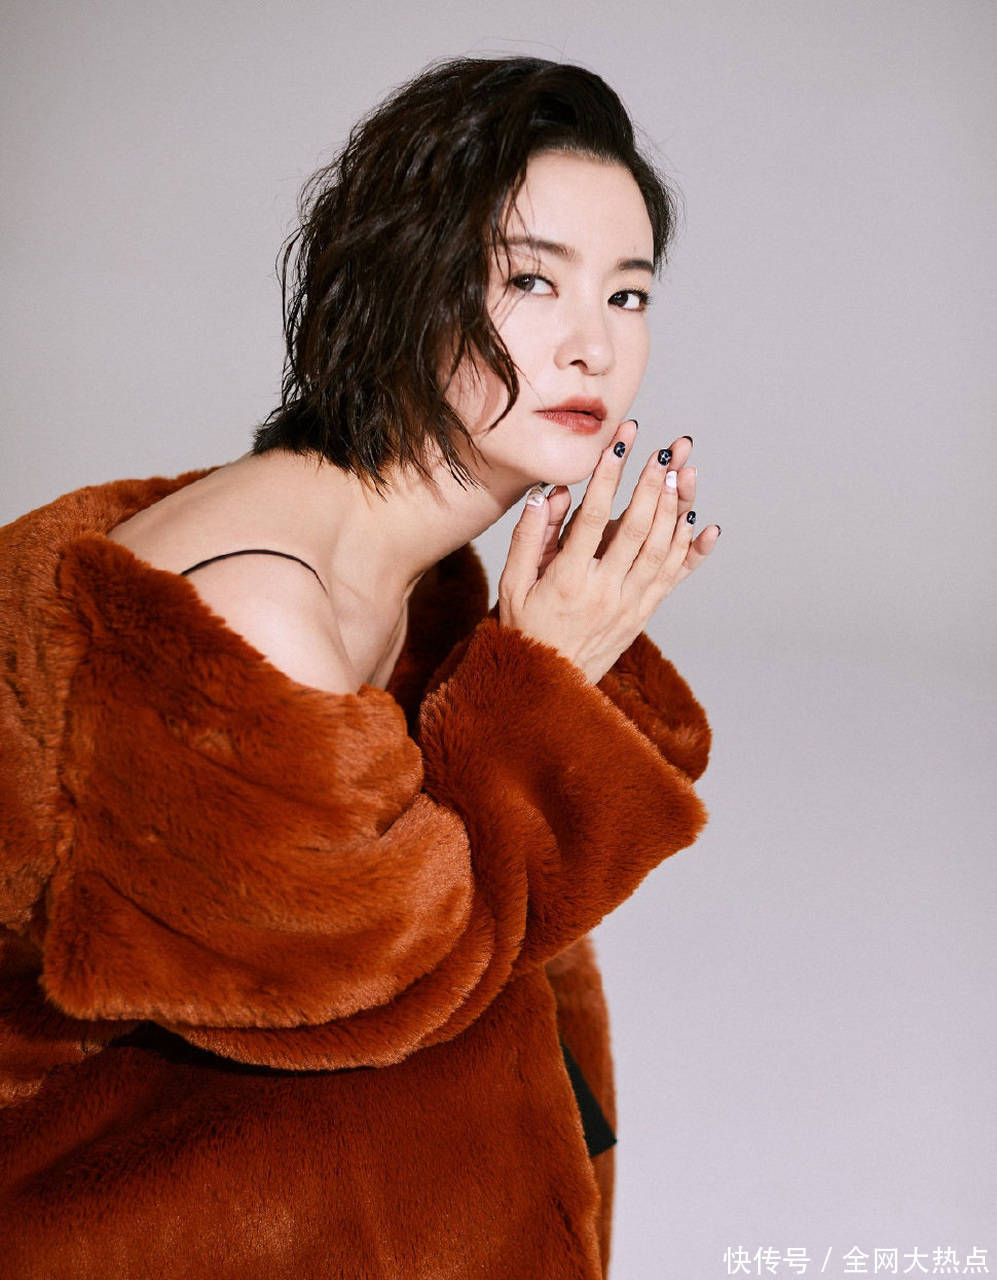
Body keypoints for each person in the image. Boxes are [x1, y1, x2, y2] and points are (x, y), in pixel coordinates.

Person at [0, 56, 718, 1278]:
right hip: (85, 1178)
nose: (593, 344)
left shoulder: (410, 572)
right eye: (530, 279)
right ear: (404, 286)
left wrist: (546, 667)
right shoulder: (257, 599)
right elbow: (361, 988)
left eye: (628, 293)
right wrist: (538, 683)